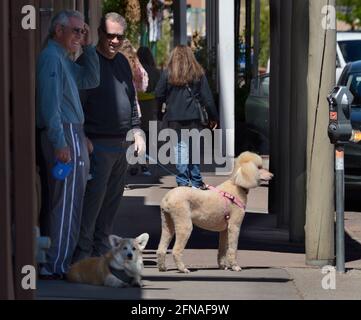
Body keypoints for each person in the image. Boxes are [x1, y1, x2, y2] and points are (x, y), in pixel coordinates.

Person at [72, 13, 145, 263]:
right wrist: (81, 136)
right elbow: (75, 104)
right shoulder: (88, 60)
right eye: (110, 35)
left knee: (111, 204)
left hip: (121, 144)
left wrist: (137, 130)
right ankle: (82, 257)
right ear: (100, 33)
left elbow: (131, 99)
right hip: (97, 143)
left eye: (119, 37)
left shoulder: (123, 62)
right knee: (92, 203)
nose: (114, 41)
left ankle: (101, 252)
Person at [36, 10, 100, 279]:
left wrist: (89, 48)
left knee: (73, 201)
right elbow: (50, 106)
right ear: (58, 31)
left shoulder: (62, 59)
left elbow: (90, 79)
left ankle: (60, 262)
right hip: (63, 134)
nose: (79, 35)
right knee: (66, 203)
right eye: (75, 31)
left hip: (74, 133)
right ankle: (56, 264)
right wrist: (61, 141)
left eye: (82, 31)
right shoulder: (51, 58)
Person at [155, 45, 219, 189]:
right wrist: (214, 117)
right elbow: (207, 98)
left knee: (180, 148)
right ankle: (196, 181)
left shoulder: (168, 73)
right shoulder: (198, 73)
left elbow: (159, 94)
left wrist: (160, 114)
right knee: (193, 149)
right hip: (194, 118)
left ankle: (183, 181)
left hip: (174, 118)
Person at [119, 39, 149, 176]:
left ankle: (121, 171)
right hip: (133, 106)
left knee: (120, 141)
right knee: (134, 139)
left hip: (116, 107)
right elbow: (143, 85)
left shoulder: (114, 61)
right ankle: (133, 164)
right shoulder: (134, 63)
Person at [137, 46, 161, 176]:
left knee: (137, 133)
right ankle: (146, 161)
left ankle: (137, 162)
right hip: (151, 104)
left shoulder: (136, 69)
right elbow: (160, 89)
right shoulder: (156, 72)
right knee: (149, 134)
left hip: (138, 104)